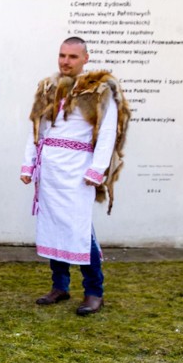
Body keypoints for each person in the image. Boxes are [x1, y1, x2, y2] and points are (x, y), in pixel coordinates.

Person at [21, 37, 129, 316]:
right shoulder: (49, 88)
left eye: (72, 56)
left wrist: (97, 170)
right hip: (51, 172)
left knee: (79, 230)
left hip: (78, 173)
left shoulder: (100, 92)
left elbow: (107, 134)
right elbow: (37, 130)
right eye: (62, 55)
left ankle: (95, 291)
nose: (65, 61)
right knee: (54, 226)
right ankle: (60, 286)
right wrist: (28, 164)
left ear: (85, 58)